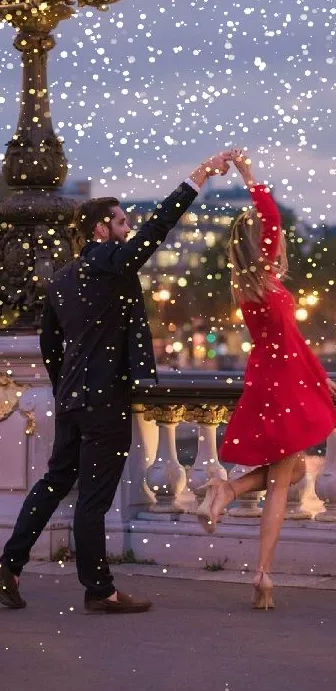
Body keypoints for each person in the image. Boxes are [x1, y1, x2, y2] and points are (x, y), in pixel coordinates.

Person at [0, 152, 231, 614]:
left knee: (53, 482)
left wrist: (67, 382)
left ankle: (9, 563)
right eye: (121, 221)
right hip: (105, 399)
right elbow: (156, 230)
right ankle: (99, 589)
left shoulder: (63, 277)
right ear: (99, 229)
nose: (129, 227)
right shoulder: (111, 262)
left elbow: (49, 343)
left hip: (72, 397)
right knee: (93, 497)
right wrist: (195, 181)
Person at [197, 148, 336, 610]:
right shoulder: (264, 277)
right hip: (283, 378)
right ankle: (262, 571)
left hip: (269, 375)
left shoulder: (247, 285)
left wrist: (323, 379)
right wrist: (249, 174)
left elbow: (291, 340)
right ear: (264, 244)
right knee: (283, 480)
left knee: (295, 471)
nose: (278, 241)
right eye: (272, 238)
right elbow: (272, 217)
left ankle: (229, 490)